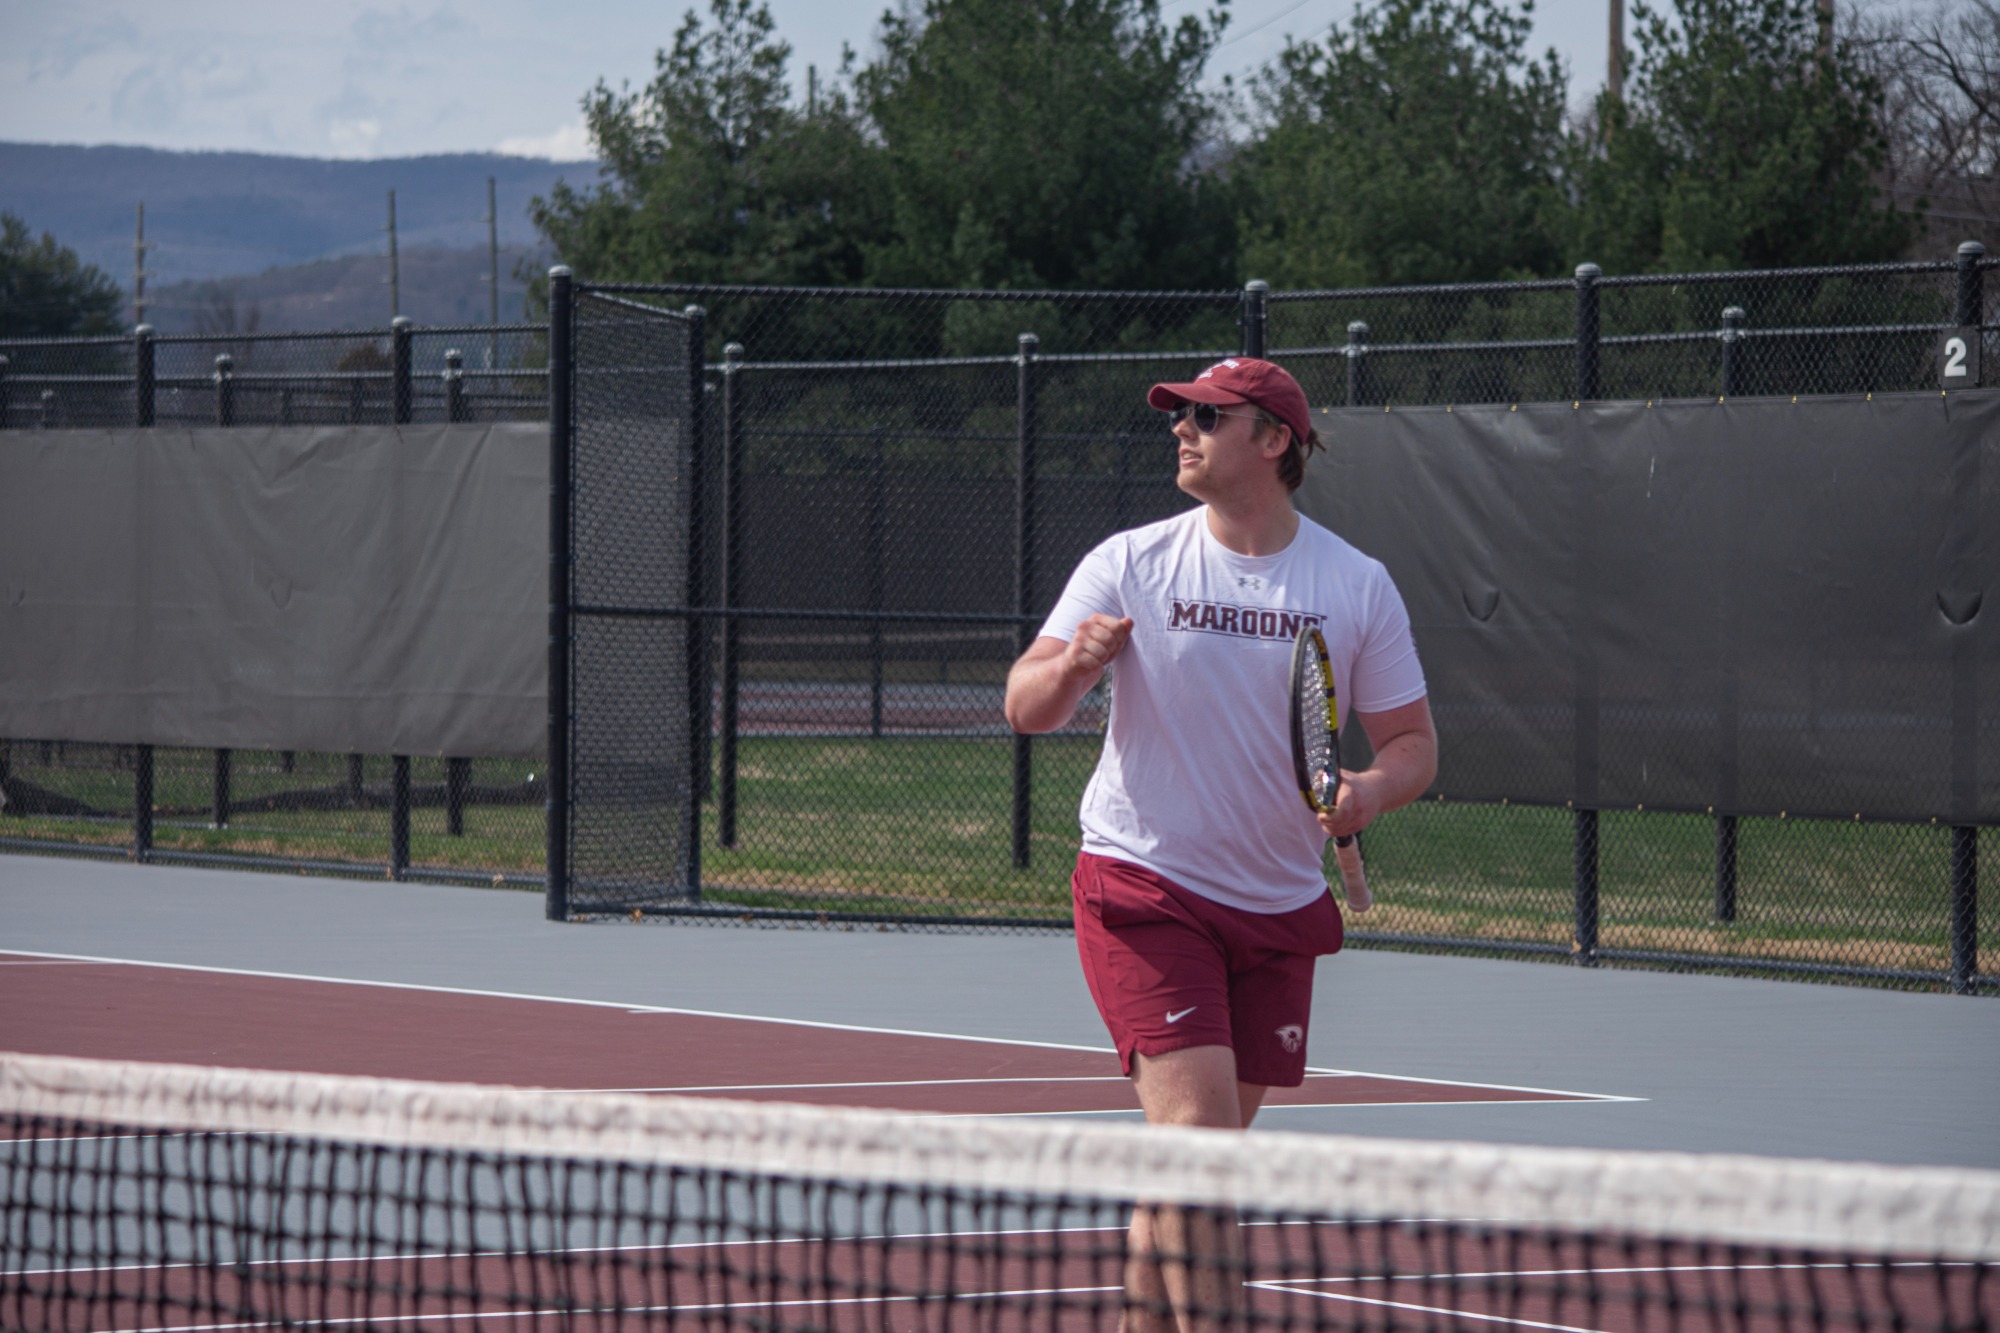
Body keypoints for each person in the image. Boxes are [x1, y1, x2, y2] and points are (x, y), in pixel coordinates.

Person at [1003, 356, 1437, 1333]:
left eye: (1206, 415)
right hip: (1144, 887)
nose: (1180, 428)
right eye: (1178, 414)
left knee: (1189, 1166)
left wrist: (1366, 789)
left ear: (1272, 440)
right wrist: (1073, 664)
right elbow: (1023, 706)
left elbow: (1412, 745)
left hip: (1279, 907)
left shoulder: (1352, 583)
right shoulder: (1129, 562)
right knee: (1197, 1149)